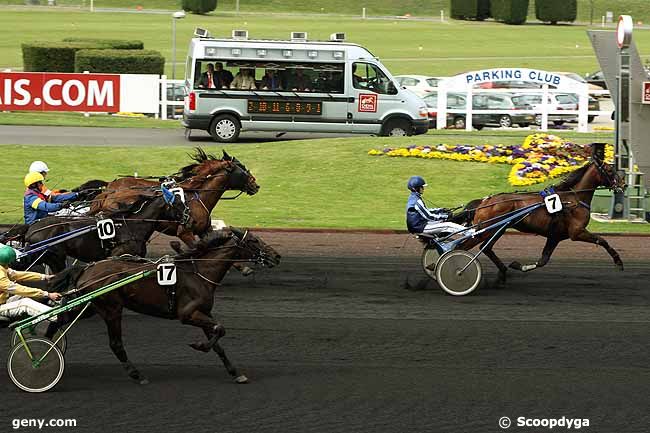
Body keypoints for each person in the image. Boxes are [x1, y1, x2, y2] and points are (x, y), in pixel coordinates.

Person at [0, 245, 61, 322]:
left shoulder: (2, 266)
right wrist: (47, 294)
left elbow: (18, 275)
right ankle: (56, 316)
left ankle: (52, 303)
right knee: (25, 303)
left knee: (26, 295)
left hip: (4, 301)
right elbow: (17, 289)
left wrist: (44, 277)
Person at [405, 176, 472, 236]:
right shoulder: (417, 201)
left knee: (444, 222)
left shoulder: (413, 198)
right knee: (448, 225)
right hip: (420, 227)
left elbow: (426, 211)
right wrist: (445, 216)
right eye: (422, 187)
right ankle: (471, 233)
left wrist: (441, 210)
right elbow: (429, 216)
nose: (423, 189)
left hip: (419, 225)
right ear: (416, 188)